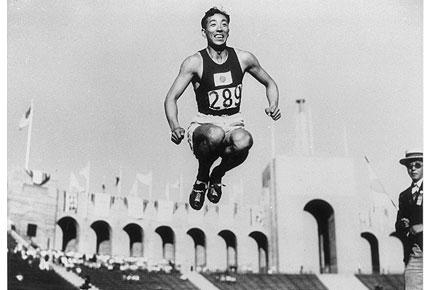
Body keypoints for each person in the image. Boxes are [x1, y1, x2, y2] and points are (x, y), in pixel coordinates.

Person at [164, 7, 281, 210]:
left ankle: (217, 175)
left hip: (233, 121)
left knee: (245, 140)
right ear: (204, 32)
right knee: (215, 134)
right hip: (204, 123)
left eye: (224, 24)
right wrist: (175, 126)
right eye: (213, 25)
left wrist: (273, 104)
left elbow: (269, 82)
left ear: (228, 30)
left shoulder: (244, 59)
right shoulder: (194, 62)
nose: (219, 29)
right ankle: (202, 178)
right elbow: (171, 98)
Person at [395, 149, 423, 290]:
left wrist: (422, 226)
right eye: (409, 166)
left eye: (417, 165)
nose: (413, 168)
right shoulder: (404, 195)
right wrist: (403, 225)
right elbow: (398, 226)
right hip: (415, 253)